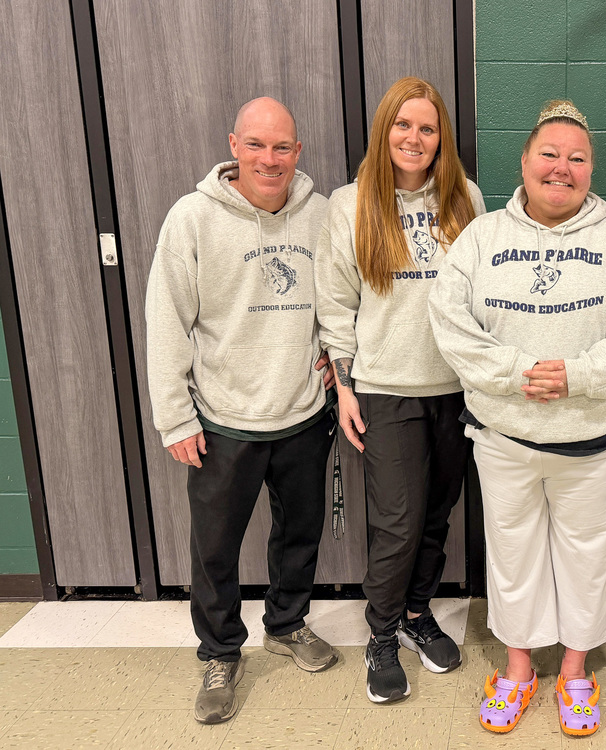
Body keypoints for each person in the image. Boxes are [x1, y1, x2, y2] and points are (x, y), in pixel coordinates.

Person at [428, 100, 606, 737]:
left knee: (589, 554)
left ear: (592, 170)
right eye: (550, 155)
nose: (562, 168)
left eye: (577, 158)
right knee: (512, 552)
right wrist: (517, 372)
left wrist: (580, 375)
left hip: (593, 441)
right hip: (503, 436)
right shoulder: (481, 239)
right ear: (526, 161)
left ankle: (575, 671)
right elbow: (451, 325)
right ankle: (517, 669)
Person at [146, 97, 337, 725]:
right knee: (215, 547)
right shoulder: (192, 219)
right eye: (256, 145)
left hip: (304, 412)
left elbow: (338, 300)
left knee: (299, 534)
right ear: (234, 145)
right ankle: (220, 650)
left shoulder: (322, 215)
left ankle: (287, 622)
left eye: (282, 147)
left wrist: (332, 365)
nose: (269, 159)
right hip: (222, 418)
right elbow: (167, 321)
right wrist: (175, 417)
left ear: (298, 151)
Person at [314, 77, 486, 704]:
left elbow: (481, 293)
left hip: (456, 388)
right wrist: (345, 385)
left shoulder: (465, 197)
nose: (415, 138)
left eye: (428, 127)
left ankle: (417, 616)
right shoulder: (350, 202)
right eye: (403, 125)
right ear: (385, 130)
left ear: (441, 138)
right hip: (385, 388)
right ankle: (381, 636)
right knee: (397, 522)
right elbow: (335, 301)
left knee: (437, 514)